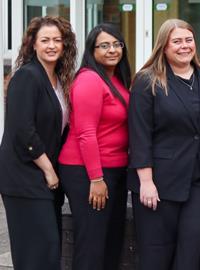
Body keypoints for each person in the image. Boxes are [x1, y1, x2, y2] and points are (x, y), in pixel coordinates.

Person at [128, 19, 200, 270]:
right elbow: (139, 134)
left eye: (189, 40)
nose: (185, 46)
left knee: (193, 253)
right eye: (177, 41)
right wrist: (146, 182)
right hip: (159, 183)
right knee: (156, 256)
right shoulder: (147, 81)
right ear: (164, 46)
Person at [0, 16, 77, 270]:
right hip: (24, 177)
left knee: (47, 250)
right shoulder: (26, 77)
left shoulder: (57, 79)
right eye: (45, 40)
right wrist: (49, 170)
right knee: (37, 252)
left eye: (57, 40)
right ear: (33, 44)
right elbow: (23, 130)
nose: (52, 45)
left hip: (44, 179)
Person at [58, 23, 131, 270]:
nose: (112, 50)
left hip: (114, 168)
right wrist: (96, 178)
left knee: (111, 241)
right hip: (87, 171)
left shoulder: (116, 80)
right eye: (104, 45)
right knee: (92, 242)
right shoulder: (89, 79)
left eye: (117, 44)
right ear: (92, 50)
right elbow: (86, 133)